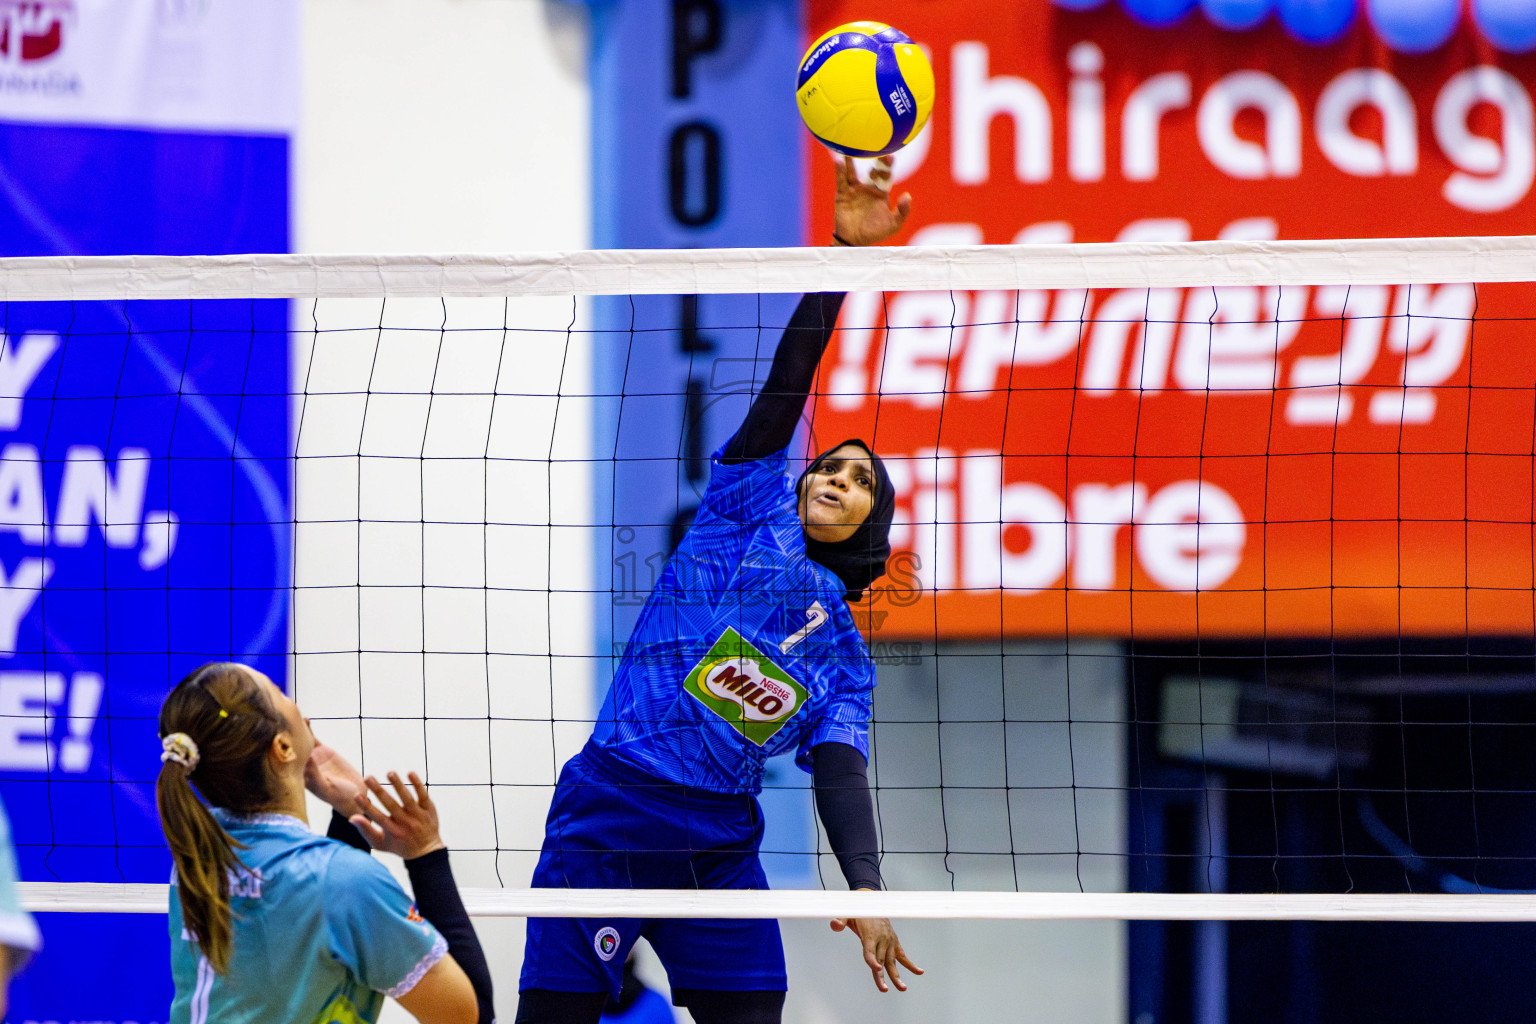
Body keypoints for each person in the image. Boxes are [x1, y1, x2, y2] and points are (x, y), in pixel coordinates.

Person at [515, 154, 921, 1024]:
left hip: (720, 842)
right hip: (614, 807)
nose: (838, 478)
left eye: (860, 482)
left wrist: (866, 886)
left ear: (872, 527)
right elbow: (786, 391)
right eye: (831, 465)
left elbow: (840, 773)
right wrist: (844, 258)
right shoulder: (744, 512)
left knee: (753, 1011)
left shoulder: (846, 664)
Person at [156, 661, 496, 1024]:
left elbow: (311, 924)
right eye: (281, 693)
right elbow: (470, 1016)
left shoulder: (199, 859)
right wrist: (425, 854)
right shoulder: (344, 882)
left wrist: (350, 816)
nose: (298, 706)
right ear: (283, 746)